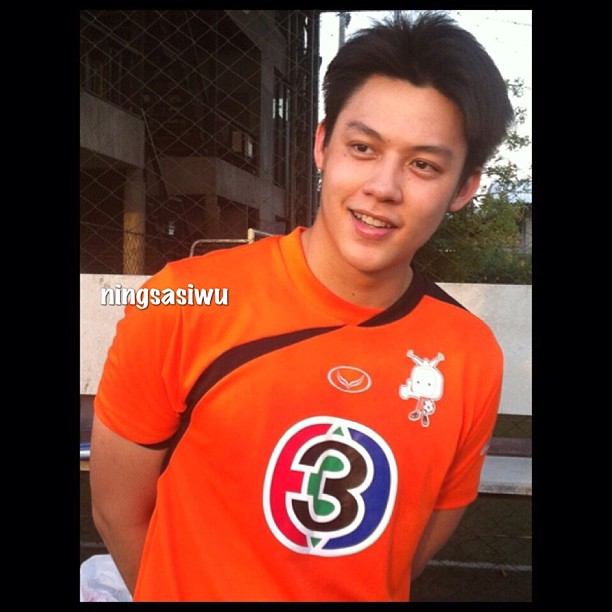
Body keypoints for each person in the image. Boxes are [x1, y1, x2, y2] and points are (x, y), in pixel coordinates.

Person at [89, 10, 514, 602]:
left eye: (423, 164)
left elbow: (404, 555)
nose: (383, 187)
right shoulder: (180, 302)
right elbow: (117, 514)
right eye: (362, 147)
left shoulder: (468, 356)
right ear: (322, 145)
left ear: (464, 187)